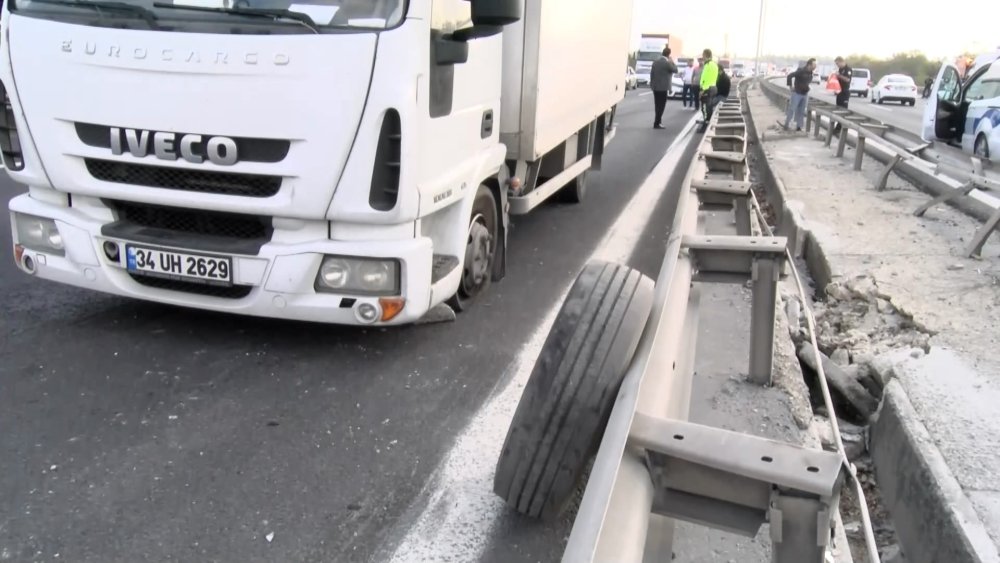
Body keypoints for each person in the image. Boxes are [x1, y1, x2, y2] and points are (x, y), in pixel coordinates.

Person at [781, 58, 815, 131]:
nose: (815, 66)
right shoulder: (801, 71)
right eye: (814, 64)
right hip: (797, 93)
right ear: (809, 65)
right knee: (792, 109)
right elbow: (789, 76)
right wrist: (790, 86)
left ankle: (799, 127)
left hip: (805, 94)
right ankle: (786, 125)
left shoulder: (811, 72)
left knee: (801, 111)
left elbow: (806, 82)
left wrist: (807, 87)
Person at [649, 47, 678, 129]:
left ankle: (658, 122)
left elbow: (652, 74)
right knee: (661, 106)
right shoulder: (668, 63)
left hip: (655, 87)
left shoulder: (655, 62)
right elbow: (675, 70)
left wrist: (652, 84)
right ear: (669, 54)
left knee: (657, 105)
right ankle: (657, 123)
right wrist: (672, 62)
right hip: (664, 87)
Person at [698, 49, 719, 131]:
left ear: (706, 55)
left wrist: (702, 90)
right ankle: (708, 124)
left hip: (707, 88)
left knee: (705, 108)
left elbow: (705, 78)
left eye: (703, 55)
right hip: (713, 87)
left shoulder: (708, 65)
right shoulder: (715, 65)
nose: (702, 57)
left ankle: (705, 126)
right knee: (709, 107)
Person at [832, 56, 853, 136]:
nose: (837, 65)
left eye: (837, 63)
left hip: (845, 92)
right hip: (839, 92)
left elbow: (847, 79)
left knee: (843, 110)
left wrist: (839, 76)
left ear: (841, 61)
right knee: (838, 110)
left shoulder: (848, 69)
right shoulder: (840, 70)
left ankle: (840, 128)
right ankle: (838, 127)